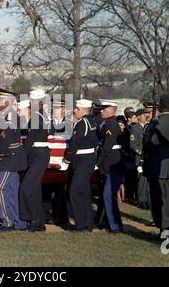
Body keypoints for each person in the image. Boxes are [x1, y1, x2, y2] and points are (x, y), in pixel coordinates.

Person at [0, 92, 27, 231]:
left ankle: (7, 222)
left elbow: (4, 141)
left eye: (0, 101)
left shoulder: (7, 117)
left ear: (7, 103)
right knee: (12, 190)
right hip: (14, 156)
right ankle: (19, 222)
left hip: (9, 158)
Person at [19, 89, 51, 232]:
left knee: (26, 188)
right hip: (38, 155)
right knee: (35, 190)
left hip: (38, 155)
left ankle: (31, 219)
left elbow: (30, 140)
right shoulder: (40, 116)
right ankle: (39, 221)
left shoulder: (37, 117)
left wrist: (21, 159)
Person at [64, 99, 97, 231]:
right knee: (84, 192)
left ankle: (81, 225)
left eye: (77, 109)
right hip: (88, 159)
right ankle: (88, 223)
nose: (75, 111)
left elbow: (74, 144)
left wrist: (67, 159)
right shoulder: (92, 121)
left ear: (84, 110)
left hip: (82, 160)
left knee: (74, 191)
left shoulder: (82, 123)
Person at [96, 99, 124, 234]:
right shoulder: (108, 123)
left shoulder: (112, 124)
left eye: (104, 108)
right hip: (110, 162)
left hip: (112, 162)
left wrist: (98, 161)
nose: (101, 111)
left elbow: (107, 147)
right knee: (106, 194)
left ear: (111, 110)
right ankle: (107, 222)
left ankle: (115, 225)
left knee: (108, 195)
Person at [144, 94, 169, 240]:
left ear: (160, 106)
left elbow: (150, 145)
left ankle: (164, 230)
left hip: (157, 167)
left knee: (159, 200)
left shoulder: (156, 124)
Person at [130, 108, 149, 209]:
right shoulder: (135, 128)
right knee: (141, 180)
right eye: (143, 115)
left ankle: (145, 198)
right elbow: (133, 145)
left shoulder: (148, 126)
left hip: (148, 157)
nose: (145, 116)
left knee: (146, 180)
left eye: (145, 114)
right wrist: (141, 152)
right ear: (138, 117)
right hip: (140, 158)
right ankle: (141, 200)